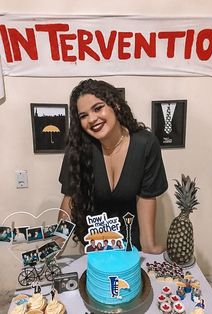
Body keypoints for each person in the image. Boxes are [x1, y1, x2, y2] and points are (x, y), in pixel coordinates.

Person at [59, 79, 168, 253]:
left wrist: (149, 245)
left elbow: (146, 198)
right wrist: (57, 245)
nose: (92, 119)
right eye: (83, 116)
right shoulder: (78, 148)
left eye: (97, 108)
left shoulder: (145, 144)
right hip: (93, 247)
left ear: (115, 105)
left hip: (130, 247)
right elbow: (70, 198)